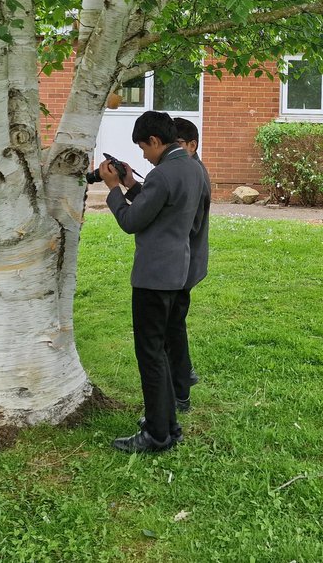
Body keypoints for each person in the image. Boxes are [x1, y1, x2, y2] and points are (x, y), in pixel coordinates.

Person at [101, 111, 208, 453]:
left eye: (144, 148)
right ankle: (167, 424)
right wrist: (133, 184)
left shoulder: (163, 175)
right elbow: (162, 206)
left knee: (150, 355)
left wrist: (115, 189)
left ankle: (157, 435)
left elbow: (132, 220)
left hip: (154, 277)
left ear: (157, 141)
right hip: (179, 272)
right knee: (161, 351)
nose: (143, 155)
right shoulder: (193, 168)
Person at [170, 116, 210, 412]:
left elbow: (189, 225)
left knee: (172, 326)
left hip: (183, 263)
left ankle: (181, 390)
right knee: (174, 324)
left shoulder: (193, 173)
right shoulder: (189, 168)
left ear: (192, 146)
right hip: (184, 261)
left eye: (178, 144)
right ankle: (184, 375)